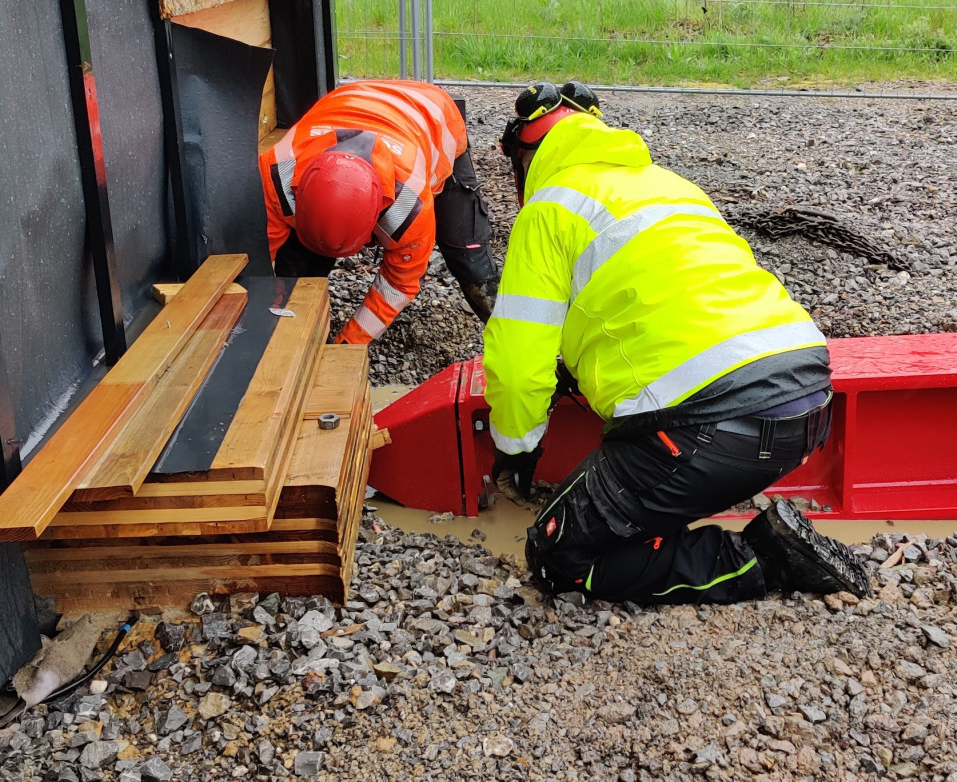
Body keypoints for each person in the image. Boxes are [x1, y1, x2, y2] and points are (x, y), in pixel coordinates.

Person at [483, 80, 870, 606]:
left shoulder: (549, 209)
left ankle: (765, 560)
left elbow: (516, 365)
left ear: (527, 159)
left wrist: (517, 449)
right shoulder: (669, 184)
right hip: (809, 401)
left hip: (710, 429)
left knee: (559, 557)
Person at [259, 80, 499, 344]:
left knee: (468, 257)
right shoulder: (276, 172)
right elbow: (260, 256)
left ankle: (513, 340)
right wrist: (269, 316)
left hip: (432, 114)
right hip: (354, 99)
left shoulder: (410, 205)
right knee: (296, 259)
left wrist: (347, 346)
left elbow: (397, 285)